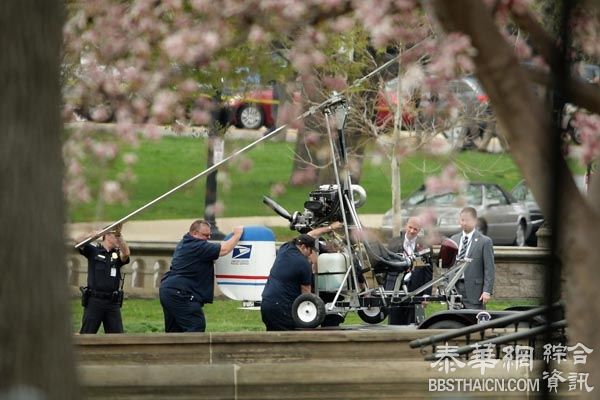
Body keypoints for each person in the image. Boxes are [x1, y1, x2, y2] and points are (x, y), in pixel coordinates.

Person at [159, 220, 243, 332]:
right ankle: (194, 350)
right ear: (194, 233)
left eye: (209, 235)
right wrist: (237, 234)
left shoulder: (186, 242)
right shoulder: (197, 246)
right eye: (205, 235)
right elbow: (224, 249)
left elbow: (219, 247)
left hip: (169, 291)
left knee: (174, 332)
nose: (208, 238)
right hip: (181, 293)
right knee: (196, 327)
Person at [261, 223, 342, 331]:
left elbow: (311, 234)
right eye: (310, 251)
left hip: (267, 303)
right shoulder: (303, 264)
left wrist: (330, 228)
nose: (311, 253)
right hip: (283, 308)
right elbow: (307, 297)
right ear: (303, 247)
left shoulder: (285, 247)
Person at [77, 226, 130, 334]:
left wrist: (119, 236)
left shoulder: (117, 255)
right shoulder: (93, 251)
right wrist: (92, 234)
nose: (118, 240)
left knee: (117, 338)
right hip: (94, 301)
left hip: (112, 302)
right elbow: (78, 241)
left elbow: (126, 254)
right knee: (87, 335)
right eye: (115, 236)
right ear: (108, 236)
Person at [384, 217, 430, 325]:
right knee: (394, 326)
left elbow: (428, 272)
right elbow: (386, 267)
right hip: (395, 290)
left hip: (417, 290)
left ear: (420, 230)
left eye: (416, 229)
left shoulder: (424, 246)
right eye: (410, 227)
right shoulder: (394, 243)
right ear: (406, 226)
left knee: (418, 325)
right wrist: (386, 291)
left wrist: (426, 296)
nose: (412, 231)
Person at [451, 207, 495, 310]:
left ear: (475, 221)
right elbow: (449, 265)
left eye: (467, 220)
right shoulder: (454, 239)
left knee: (474, 322)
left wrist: (486, 291)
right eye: (462, 220)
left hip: (475, 291)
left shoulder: (484, 241)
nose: (464, 223)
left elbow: (489, 269)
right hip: (455, 289)